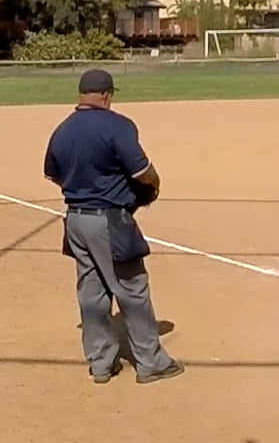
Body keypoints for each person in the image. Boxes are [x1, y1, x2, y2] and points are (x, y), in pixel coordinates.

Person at [43, 69, 184, 385]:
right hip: (109, 222)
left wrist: (84, 186)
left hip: (75, 220)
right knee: (132, 289)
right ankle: (151, 362)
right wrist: (153, 185)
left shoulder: (62, 130)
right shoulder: (117, 125)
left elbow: (53, 174)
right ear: (107, 95)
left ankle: (101, 363)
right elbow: (142, 171)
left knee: (91, 291)